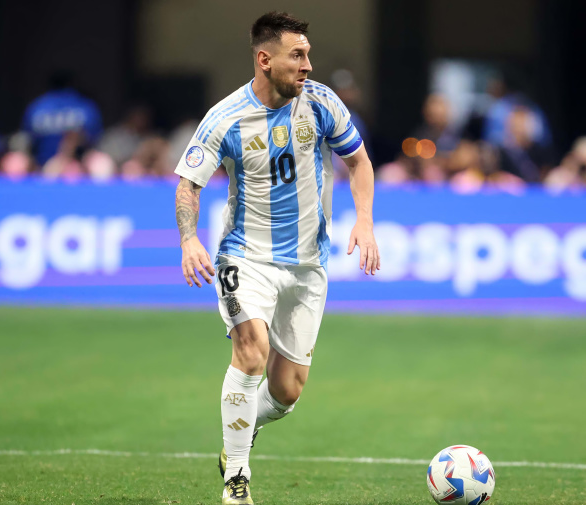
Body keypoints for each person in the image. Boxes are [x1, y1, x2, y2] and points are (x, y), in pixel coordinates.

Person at [173, 12, 380, 505]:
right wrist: (189, 240)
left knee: (287, 392)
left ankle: (237, 436)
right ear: (265, 60)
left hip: (308, 264)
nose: (308, 65)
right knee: (250, 351)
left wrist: (365, 219)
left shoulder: (321, 103)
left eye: (308, 54)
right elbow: (188, 185)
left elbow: (359, 161)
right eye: (298, 55)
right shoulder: (225, 118)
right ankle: (237, 479)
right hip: (246, 256)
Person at [21, 71, 102, 167]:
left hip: (68, 164)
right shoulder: (85, 105)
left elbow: (28, 138)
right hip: (50, 166)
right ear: (71, 84)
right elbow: (95, 137)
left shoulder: (36, 106)